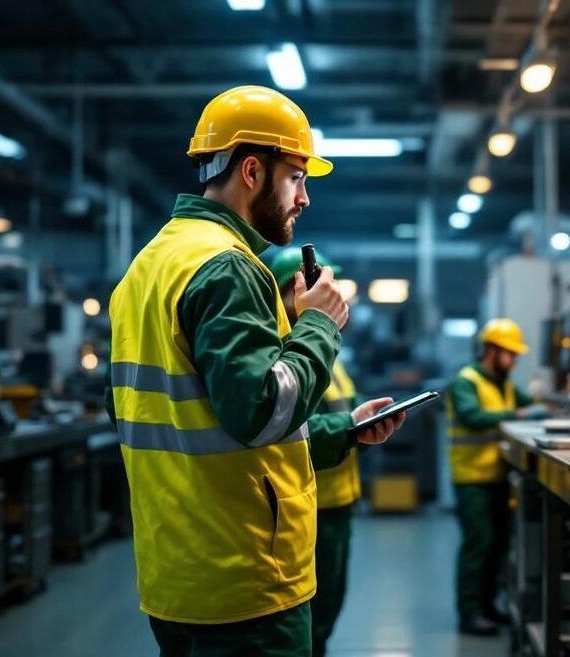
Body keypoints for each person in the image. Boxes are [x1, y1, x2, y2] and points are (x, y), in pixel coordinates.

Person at [105, 85, 404, 657]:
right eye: (296, 177)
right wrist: (319, 327)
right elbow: (261, 411)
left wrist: (341, 429)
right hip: (245, 582)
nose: (305, 198)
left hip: (176, 577)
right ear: (251, 171)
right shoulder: (229, 269)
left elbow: (186, 418)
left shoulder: (147, 267)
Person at [270, 248, 370, 657]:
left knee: (328, 607)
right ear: (287, 291)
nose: (330, 293)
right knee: (306, 618)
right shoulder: (281, 356)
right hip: (305, 504)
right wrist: (348, 429)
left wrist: (363, 419)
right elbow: (279, 430)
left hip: (340, 497)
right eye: (316, 284)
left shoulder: (326, 347)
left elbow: (338, 406)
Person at [445, 318, 546, 636]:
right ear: (492, 350)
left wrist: (553, 405)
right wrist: (518, 414)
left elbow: (530, 405)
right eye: (510, 354)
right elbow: (472, 417)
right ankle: (469, 613)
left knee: (498, 545)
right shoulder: (467, 381)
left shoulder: (502, 382)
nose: (514, 360)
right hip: (472, 477)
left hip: (498, 475)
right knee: (478, 544)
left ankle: (489, 606)